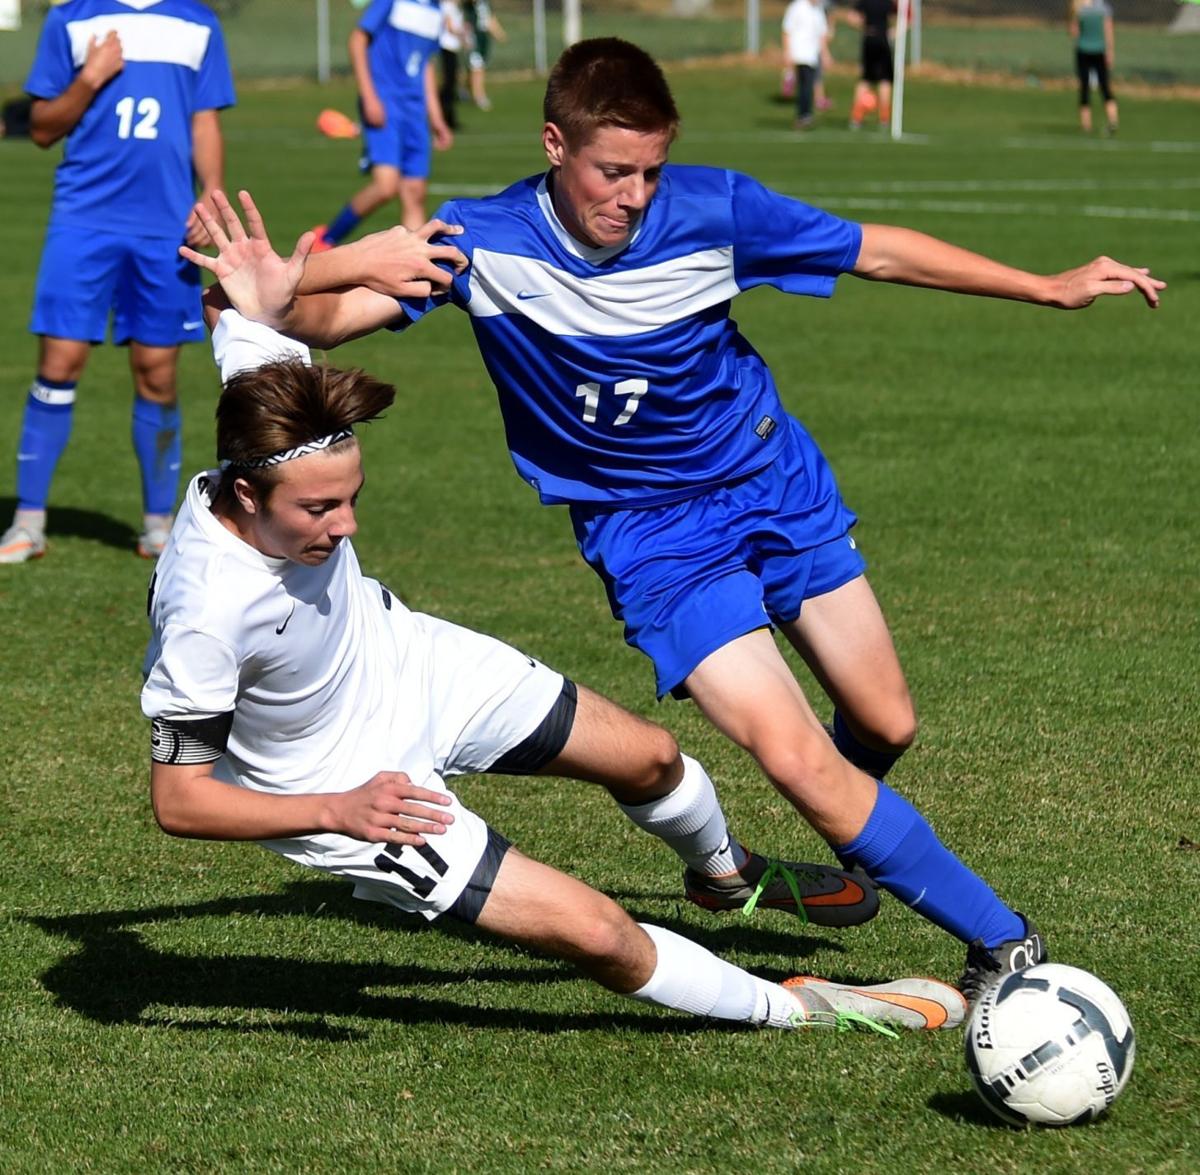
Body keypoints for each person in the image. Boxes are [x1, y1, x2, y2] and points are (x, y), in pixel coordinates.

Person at [197, 39, 1164, 1002]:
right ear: (553, 145)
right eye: (613, 171)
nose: (634, 194)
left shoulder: (716, 211)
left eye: (650, 171)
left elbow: (876, 249)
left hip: (774, 484)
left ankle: (852, 819)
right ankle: (1006, 946)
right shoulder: (479, 243)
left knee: (884, 720)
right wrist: (276, 287)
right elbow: (321, 327)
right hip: (653, 537)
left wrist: (1048, 285)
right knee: (796, 758)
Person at [140, 275, 967, 1037]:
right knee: (601, 931)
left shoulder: (271, 412)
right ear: (245, 495)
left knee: (651, 757)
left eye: (353, 497)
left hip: (414, 661)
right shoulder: (208, 611)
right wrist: (337, 810)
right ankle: (797, 1009)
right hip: (348, 785)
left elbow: (240, 308)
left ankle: (724, 874)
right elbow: (180, 801)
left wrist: (261, 279)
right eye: (321, 508)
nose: (348, 525)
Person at [0, 0, 235, 564]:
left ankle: (159, 525)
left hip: (166, 227)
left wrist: (210, 192)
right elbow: (41, 129)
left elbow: (204, 119)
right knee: (59, 364)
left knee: (158, 373)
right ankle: (28, 523)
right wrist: (90, 77)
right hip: (82, 222)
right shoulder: (71, 18)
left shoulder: (198, 22)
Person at [311, 0, 453, 249]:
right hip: (385, 104)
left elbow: (425, 65)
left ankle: (415, 269)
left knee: (415, 194)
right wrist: (369, 96)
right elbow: (357, 40)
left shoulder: (436, 10)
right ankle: (327, 239)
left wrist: (437, 117)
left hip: (415, 112)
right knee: (386, 186)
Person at [842, 0, 894, 129]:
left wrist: (864, 26)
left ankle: (856, 117)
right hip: (883, 40)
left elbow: (850, 17)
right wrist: (894, 31)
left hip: (869, 38)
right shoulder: (889, 2)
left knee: (865, 79)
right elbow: (906, 16)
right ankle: (884, 118)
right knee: (884, 79)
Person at [1071, 0, 1118, 136]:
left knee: (1085, 88)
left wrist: (1072, 14)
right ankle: (1113, 121)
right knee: (1104, 87)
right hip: (1099, 51)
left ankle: (1086, 126)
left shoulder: (1079, 8)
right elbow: (1108, 31)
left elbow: (1073, 32)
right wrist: (1110, 51)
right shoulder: (1104, 8)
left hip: (1084, 51)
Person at [782, 0, 830, 130]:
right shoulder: (797, 7)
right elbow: (787, 30)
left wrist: (825, 54)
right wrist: (787, 51)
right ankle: (804, 114)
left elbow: (822, 34)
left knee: (807, 84)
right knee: (807, 83)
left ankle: (804, 114)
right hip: (800, 53)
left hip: (813, 54)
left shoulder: (818, 10)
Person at [463, 0, 506, 112]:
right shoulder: (470, 4)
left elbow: (490, 18)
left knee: (478, 67)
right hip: (473, 38)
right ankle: (479, 96)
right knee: (477, 68)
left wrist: (498, 32)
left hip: (483, 39)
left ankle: (467, 91)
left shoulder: (486, 3)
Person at [438, 0, 466, 132]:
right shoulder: (447, 6)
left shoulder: (455, 7)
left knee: (451, 85)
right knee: (448, 86)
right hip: (446, 47)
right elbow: (449, 27)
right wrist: (463, 34)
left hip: (453, 48)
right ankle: (446, 118)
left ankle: (449, 118)